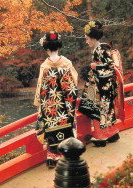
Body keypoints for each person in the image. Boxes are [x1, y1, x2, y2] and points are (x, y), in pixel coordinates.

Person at [34, 31, 78, 168]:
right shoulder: (66, 63)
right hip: (65, 103)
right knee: (67, 125)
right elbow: (74, 82)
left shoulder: (44, 66)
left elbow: (40, 87)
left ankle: (51, 157)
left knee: (50, 127)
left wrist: (39, 104)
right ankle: (67, 154)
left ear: (46, 48)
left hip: (50, 105)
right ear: (59, 46)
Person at [78, 21, 120, 147]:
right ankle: (112, 133)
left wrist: (96, 66)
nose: (86, 42)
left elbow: (111, 66)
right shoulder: (99, 48)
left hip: (102, 86)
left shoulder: (101, 49)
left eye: (87, 39)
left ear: (92, 38)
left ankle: (101, 136)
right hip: (101, 85)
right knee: (106, 110)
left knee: (98, 110)